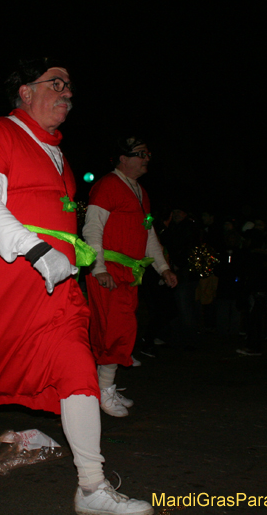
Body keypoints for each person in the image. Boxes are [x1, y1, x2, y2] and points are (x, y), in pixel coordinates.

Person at [0, 58, 153, 515]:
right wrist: (37, 250)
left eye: (70, 87)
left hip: (54, 286)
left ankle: (92, 487)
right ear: (24, 91)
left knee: (76, 365)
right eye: (55, 84)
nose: (66, 93)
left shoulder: (56, 151)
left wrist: (69, 255)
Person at [83, 137, 177, 418]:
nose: (146, 158)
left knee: (122, 330)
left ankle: (105, 387)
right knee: (111, 331)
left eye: (148, 153)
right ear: (122, 159)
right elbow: (92, 229)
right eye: (140, 154)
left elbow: (148, 234)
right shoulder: (107, 186)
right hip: (109, 272)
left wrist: (163, 268)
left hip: (129, 274)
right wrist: (98, 268)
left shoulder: (141, 192)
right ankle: (102, 390)